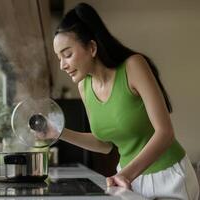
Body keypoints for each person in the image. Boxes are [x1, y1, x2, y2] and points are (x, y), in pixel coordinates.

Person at [52, 2, 199, 199]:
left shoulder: (133, 66)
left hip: (168, 177)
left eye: (67, 54)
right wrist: (58, 132)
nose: (62, 65)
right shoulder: (84, 87)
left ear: (92, 48)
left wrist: (126, 174)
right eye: (58, 57)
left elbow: (165, 133)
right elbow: (104, 144)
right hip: (128, 181)